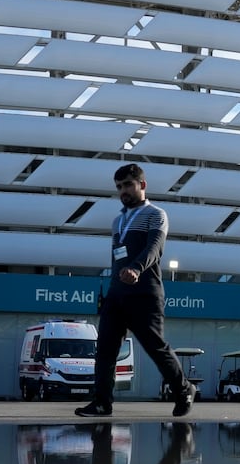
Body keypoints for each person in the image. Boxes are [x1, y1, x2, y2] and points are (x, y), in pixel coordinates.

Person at [76, 163, 192, 418]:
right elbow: (117, 258)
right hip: (116, 295)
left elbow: (155, 248)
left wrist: (137, 268)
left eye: (128, 184)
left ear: (142, 185)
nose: (123, 190)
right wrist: (111, 289)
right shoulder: (118, 221)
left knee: (155, 347)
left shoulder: (156, 214)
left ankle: (183, 390)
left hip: (145, 293)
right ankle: (102, 403)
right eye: (119, 187)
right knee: (105, 349)